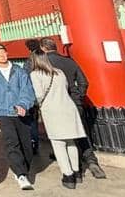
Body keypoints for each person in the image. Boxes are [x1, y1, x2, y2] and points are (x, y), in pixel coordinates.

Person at [39, 37, 106, 179]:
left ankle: (68, 166)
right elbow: (83, 82)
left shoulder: (43, 64)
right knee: (80, 132)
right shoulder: (70, 61)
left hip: (54, 103)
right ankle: (91, 160)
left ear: (43, 48)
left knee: (59, 135)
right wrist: (78, 96)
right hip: (73, 102)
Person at [29, 52, 87, 189]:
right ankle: (76, 171)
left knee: (58, 143)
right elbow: (66, 87)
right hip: (68, 106)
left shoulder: (36, 74)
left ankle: (68, 175)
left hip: (53, 110)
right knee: (70, 141)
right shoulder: (59, 72)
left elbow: (38, 94)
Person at [0, 42, 37, 191]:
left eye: (3, 52)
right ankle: (21, 174)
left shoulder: (19, 71)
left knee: (26, 144)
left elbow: (27, 90)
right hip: (4, 113)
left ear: (7, 53)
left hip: (20, 112)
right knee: (11, 143)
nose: (1, 54)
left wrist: (23, 104)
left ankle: (22, 169)